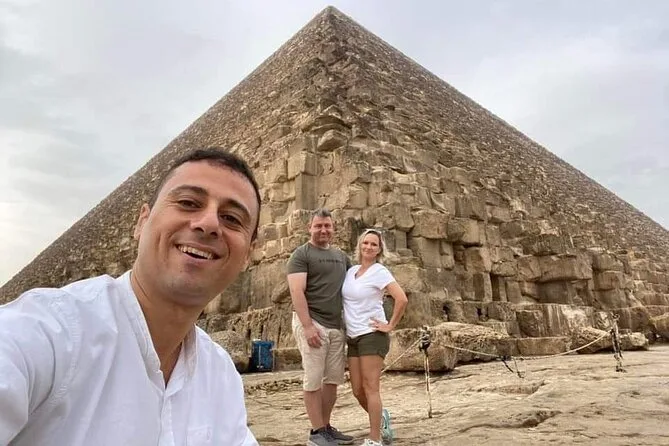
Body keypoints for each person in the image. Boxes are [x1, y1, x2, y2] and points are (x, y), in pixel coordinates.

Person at [0, 148, 261, 446]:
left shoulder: (221, 376)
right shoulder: (49, 333)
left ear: (248, 255)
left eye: (231, 218)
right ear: (141, 222)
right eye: (188, 203)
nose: (209, 223)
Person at [287, 208, 355, 446]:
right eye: (318, 226)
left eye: (327, 226)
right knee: (313, 379)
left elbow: (354, 286)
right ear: (310, 228)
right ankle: (316, 433)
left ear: (333, 228)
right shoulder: (301, 255)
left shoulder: (341, 257)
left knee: (332, 380)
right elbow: (296, 291)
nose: (323, 230)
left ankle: (325, 427)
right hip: (313, 322)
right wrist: (307, 326)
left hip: (336, 326)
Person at [342, 229, 408, 446]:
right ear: (360, 245)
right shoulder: (351, 271)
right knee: (357, 390)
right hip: (352, 336)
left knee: (371, 387)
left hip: (372, 335)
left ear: (379, 250)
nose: (369, 247)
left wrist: (390, 325)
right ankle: (382, 418)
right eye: (366, 243)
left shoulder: (380, 271)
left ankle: (375, 438)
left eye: (373, 244)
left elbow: (401, 299)